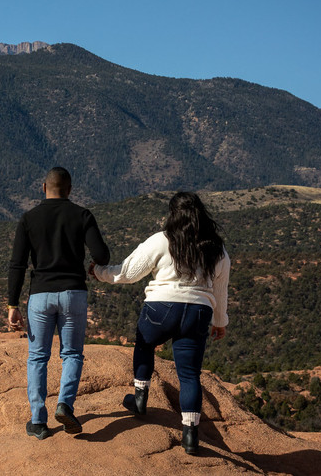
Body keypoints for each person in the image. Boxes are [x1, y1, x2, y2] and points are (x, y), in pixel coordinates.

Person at [89, 191, 230, 455]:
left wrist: (98, 272)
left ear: (172, 214)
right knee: (189, 375)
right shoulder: (216, 247)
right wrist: (219, 321)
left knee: (144, 344)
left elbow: (128, 273)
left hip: (162, 308)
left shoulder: (162, 240)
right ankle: (190, 436)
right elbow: (221, 288)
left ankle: (140, 400)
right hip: (199, 313)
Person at [7, 166, 111, 440]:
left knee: (38, 356)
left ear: (44, 187)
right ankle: (64, 404)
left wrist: (12, 304)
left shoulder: (29, 218)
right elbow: (101, 254)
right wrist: (93, 264)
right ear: (70, 190)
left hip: (40, 295)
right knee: (72, 354)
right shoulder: (82, 215)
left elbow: (17, 264)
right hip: (73, 293)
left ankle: (38, 422)